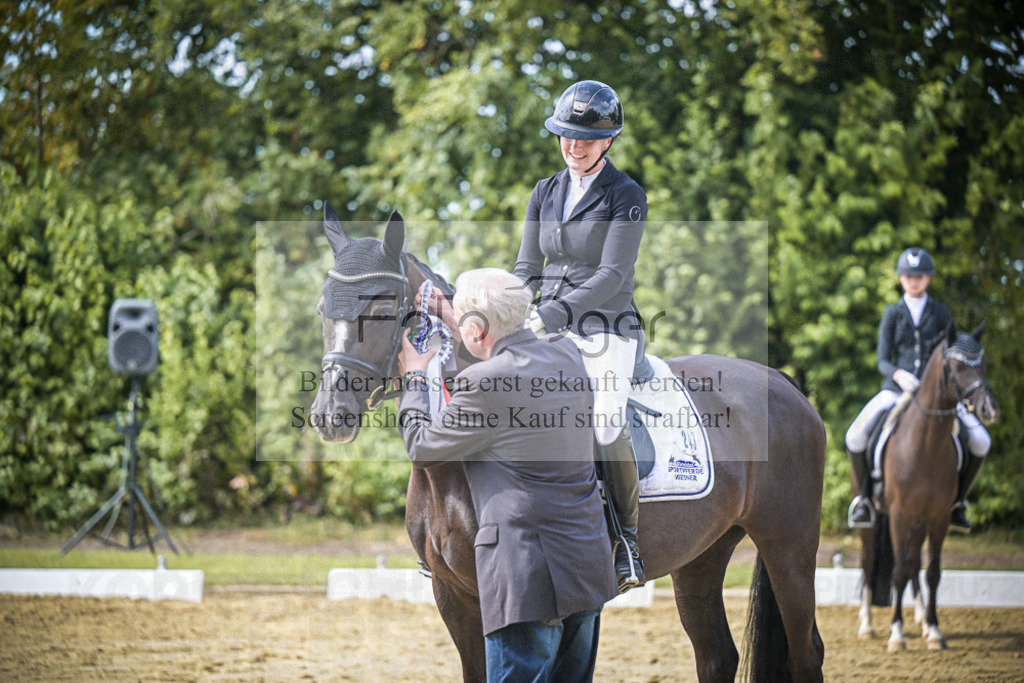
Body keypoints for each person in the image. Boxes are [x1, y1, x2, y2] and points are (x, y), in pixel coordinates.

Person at [397, 267, 618, 683]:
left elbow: (422, 447)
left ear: (476, 329)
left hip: (525, 578)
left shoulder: (482, 382)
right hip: (586, 568)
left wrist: (413, 374)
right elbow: (510, 341)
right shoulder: (566, 353)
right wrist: (456, 314)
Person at [512, 79, 649, 593]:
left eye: (585, 140)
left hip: (606, 326)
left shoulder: (626, 195)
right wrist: (504, 308)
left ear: (608, 140)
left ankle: (627, 541)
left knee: (608, 420)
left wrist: (557, 313)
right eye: (565, 136)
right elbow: (528, 265)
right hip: (543, 319)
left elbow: (613, 274)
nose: (573, 146)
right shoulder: (545, 190)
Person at [846, 247, 991, 531]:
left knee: (981, 441)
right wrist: (899, 375)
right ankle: (864, 500)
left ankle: (958, 502)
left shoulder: (940, 312)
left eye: (921, 276)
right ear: (901, 278)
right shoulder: (892, 313)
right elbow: (882, 360)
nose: (915, 281)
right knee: (855, 436)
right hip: (897, 390)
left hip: (937, 395)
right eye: (909, 276)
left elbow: (952, 353)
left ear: (928, 279)